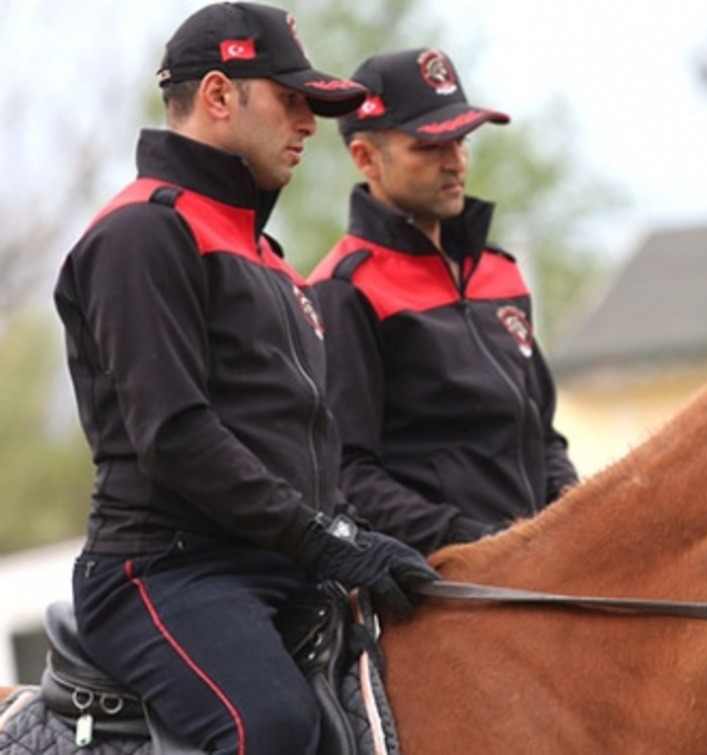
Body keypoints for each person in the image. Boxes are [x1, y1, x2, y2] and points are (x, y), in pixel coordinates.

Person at [52, 4, 439, 753]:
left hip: (278, 561)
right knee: (269, 725)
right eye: (291, 100)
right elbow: (175, 434)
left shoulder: (268, 255)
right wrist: (319, 536)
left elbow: (304, 441)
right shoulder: (142, 231)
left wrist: (359, 533)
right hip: (166, 572)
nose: (306, 123)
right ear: (222, 96)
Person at [308, 48, 579, 555]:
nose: (455, 161)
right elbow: (347, 474)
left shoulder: (501, 273)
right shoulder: (344, 290)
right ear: (366, 157)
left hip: (534, 570)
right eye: (429, 146)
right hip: (444, 584)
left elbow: (542, 435)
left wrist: (577, 517)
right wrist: (475, 542)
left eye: (462, 140)